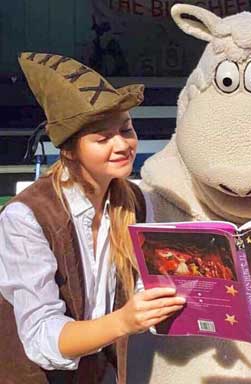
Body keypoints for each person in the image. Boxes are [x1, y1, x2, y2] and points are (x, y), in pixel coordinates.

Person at [0, 53, 185, 384]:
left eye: (126, 129)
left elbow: (149, 288)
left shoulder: (138, 202)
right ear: (69, 149)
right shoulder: (26, 217)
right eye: (102, 138)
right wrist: (124, 321)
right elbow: (42, 336)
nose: (122, 145)